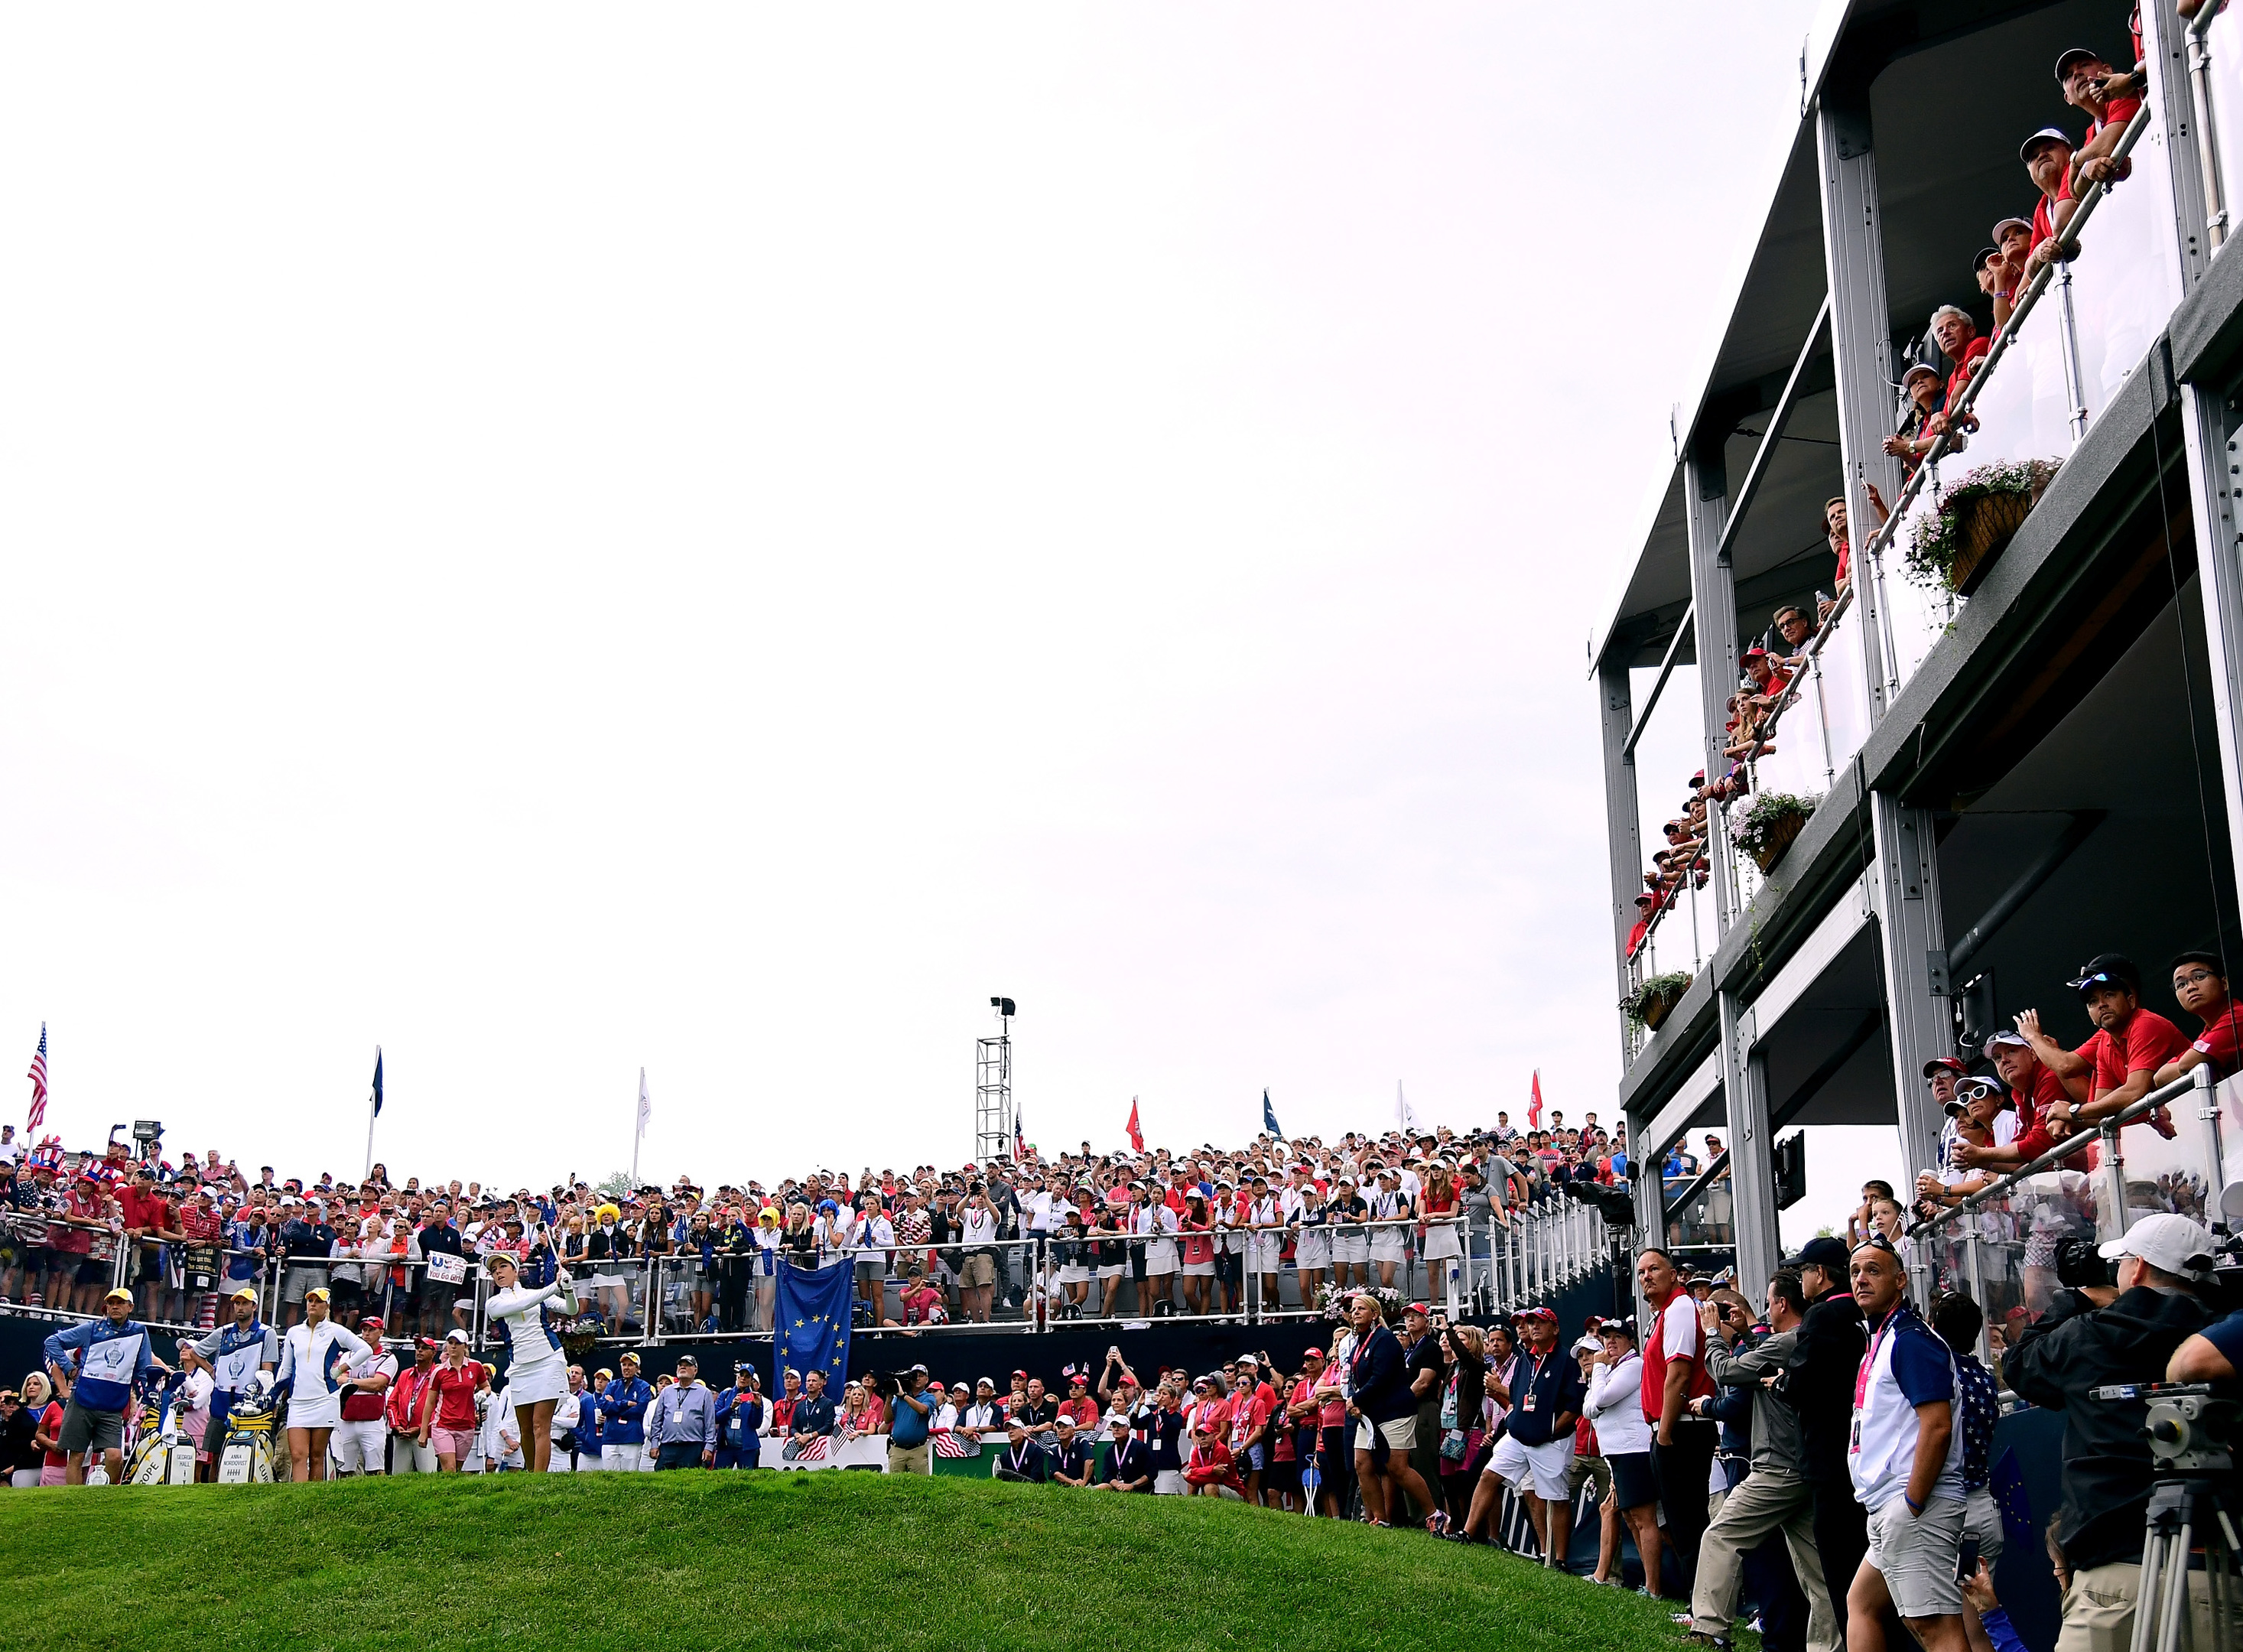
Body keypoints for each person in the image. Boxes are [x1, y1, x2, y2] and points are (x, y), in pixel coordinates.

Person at [2007, 1214, 2230, 1652]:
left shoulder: (2089, 1334)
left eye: (2121, 1261)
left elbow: (2022, 1365)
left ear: (2139, 1267)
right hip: (2217, 1568)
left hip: (2110, 1574)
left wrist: (2078, 1299)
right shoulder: (2223, 1336)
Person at [1688, 1272, 1835, 1652]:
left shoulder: (1787, 1342)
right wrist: (1742, 1336)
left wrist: (1714, 1336)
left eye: (1769, 1303)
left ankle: (1708, 1628)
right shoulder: (1802, 1340)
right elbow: (1760, 1356)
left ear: (1782, 1304)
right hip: (1802, 1469)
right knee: (1818, 1575)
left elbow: (1727, 1371)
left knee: (1719, 1535)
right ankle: (1829, 1646)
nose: (1766, 1309)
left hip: (1778, 1470)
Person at [1844, 1237, 1966, 1652]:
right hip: (1887, 1504)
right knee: (1861, 1603)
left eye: (1873, 1271)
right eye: (1855, 1270)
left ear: (1900, 1282)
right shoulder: (1881, 1337)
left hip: (1913, 1504)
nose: (1861, 1279)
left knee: (1935, 1627)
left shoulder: (1911, 1339)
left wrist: (1911, 1504)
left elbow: (1937, 1427)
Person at [1776, 1235, 1870, 1621]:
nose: (1801, 1279)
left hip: (1830, 1454)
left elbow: (1802, 1382)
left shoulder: (1824, 1314)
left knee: (1844, 1574)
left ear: (1821, 1274)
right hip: (1863, 1451)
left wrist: (1781, 1382)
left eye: (1803, 1271)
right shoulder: (1864, 1312)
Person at [1638, 1247, 1718, 1585]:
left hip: (1683, 1428)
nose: (1646, 1277)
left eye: (1654, 1269)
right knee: (1681, 1520)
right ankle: (1699, 1602)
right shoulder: (1666, 1313)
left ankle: (1703, 1606)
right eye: (1642, 1273)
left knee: (1688, 1521)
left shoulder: (1681, 1307)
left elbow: (1680, 1374)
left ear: (1673, 1275)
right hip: (1675, 1427)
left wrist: (1665, 1433)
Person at [44, 1286, 164, 1485]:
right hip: (83, 1399)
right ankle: (74, 1501)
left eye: (120, 1303)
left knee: (115, 1456)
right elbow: (53, 1342)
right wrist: (69, 1370)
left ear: (130, 1307)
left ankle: (101, 1493)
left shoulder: (139, 1331)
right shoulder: (93, 1328)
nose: (114, 1307)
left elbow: (143, 1367)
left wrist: (149, 1391)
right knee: (76, 1455)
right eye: (111, 1303)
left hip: (113, 1406)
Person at [481, 1250, 580, 1474]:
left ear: (515, 1271)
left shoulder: (537, 1294)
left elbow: (571, 1309)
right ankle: (530, 1474)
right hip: (520, 1367)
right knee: (525, 1428)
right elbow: (521, 1306)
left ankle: (538, 1478)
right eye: (494, 1271)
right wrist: (554, 1287)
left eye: (503, 1267)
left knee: (539, 1425)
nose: (498, 1273)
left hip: (549, 1360)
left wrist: (568, 1289)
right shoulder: (494, 1303)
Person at [1344, 1292, 1436, 1529]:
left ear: (1375, 1314)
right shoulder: (1360, 1343)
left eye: (1361, 1308)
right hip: (1371, 1412)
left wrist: (1355, 1399)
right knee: (1362, 1464)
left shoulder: (1384, 1339)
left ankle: (1434, 1514)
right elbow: (1358, 1378)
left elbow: (1381, 1378)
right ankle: (1379, 1518)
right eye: (1353, 1309)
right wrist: (1358, 1402)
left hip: (1396, 1410)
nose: (1355, 1312)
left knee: (1396, 1467)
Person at [1584, 1316, 1661, 1591]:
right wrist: (1601, 1376)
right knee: (1630, 1518)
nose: (1611, 1341)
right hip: (1618, 1453)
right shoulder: (1612, 1369)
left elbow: (1601, 1400)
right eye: (1607, 1337)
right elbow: (1589, 1409)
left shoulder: (1634, 1365)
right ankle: (1651, 1585)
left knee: (1643, 1519)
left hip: (1635, 1450)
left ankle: (1654, 1587)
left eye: (1618, 1336)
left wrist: (1600, 1369)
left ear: (1630, 1341)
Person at [275, 1287, 371, 1483]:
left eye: (318, 1301)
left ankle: (313, 1498)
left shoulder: (335, 1330)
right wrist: (276, 1395)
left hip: (325, 1399)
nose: (313, 1304)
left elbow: (364, 1349)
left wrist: (340, 1369)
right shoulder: (294, 1333)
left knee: (317, 1456)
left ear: (326, 1306)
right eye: (310, 1300)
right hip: (298, 1401)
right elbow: (286, 1368)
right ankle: (299, 1498)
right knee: (298, 1455)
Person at [191, 1286, 278, 1472]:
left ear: (254, 1307)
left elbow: (267, 1371)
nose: (240, 1307)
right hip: (221, 1400)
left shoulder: (266, 1333)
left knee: (247, 1454)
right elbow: (196, 1352)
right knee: (216, 1455)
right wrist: (211, 1371)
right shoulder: (224, 1332)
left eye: (244, 1303)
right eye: (237, 1303)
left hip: (249, 1403)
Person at [330, 1316, 398, 1476]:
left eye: (372, 1330)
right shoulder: (348, 1356)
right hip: (347, 1417)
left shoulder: (387, 1357)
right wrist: (356, 1382)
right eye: (364, 1330)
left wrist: (351, 1381)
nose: (367, 1334)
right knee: (344, 1468)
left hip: (372, 1418)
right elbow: (339, 1380)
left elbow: (378, 1384)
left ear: (381, 1332)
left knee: (375, 1467)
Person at [424, 1330, 489, 1473]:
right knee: (450, 1468)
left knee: (458, 1469)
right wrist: (424, 1432)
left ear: (465, 1346)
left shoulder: (476, 1366)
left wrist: (483, 1393)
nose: (453, 1346)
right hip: (443, 1425)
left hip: (466, 1425)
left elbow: (486, 1386)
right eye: (450, 1343)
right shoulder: (439, 1372)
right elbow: (429, 1402)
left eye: (457, 1343)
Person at [385, 1338, 440, 1475]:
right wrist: (396, 1425)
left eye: (424, 1348)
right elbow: (392, 1403)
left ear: (434, 1353)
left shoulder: (439, 1375)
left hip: (426, 1435)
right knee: (398, 1476)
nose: (419, 1350)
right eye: (417, 1347)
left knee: (428, 1476)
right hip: (402, 1433)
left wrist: (423, 1428)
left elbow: (441, 1408)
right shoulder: (405, 1374)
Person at [649, 1354, 714, 1468]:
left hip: (692, 1447)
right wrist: (654, 1444)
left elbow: (710, 1423)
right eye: (681, 1365)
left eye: (687, 1365)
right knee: (662, 1480)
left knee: (689, 1482)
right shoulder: (666, 1392)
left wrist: (709, 1447)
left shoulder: (704, 1393)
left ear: (695, 1370)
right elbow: (657, 1421)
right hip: (667, 1446)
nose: (683, 1367)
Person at [597, 1352, 654, 1472]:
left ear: (637, 1368)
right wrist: (625, 1404)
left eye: (630, 1365)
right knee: (608, 1477)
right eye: (624, 1364)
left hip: (631, 1438)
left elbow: (639, 1411)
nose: (626, 1368)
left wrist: (614, 1405)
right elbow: (603, 1407)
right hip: (610, 1437)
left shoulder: (644, 1387)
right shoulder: (613, 1385)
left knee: (629, 1477)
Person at [887, 1364, 936, 1475]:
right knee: (894, 1484)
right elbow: (888, 1419)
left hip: (917, 1450)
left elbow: (923, 1410)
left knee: (921, 1484)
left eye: (921, 1376)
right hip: (897, 1449)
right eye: (915, 1376)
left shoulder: (929, 1397)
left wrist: (904, 1395)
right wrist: (889, 1400)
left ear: (927, 1379)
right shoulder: (899, 1398)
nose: (917, 1378)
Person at [1097, 1414, 1152, 1491]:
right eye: (1114, 1426)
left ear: (1127, 1429)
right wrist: (1117, 1485)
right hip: (1118, 1488)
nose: (1116, 1429)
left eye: (1120, 1426)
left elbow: (1152, 1472)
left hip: (1139, 1489)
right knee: (1102, 1487)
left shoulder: (1140, 1447)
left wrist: (1132, 1485)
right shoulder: (1109, 1450)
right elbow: (1107, 1474)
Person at [992, 1419, 1046, 1484]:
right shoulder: (1005, 1455)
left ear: (1022, 1432)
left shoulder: (1035, 1450)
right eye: (1008, 1430)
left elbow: (1036, 1477)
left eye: (1014, 1428)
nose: (1010, 1432)